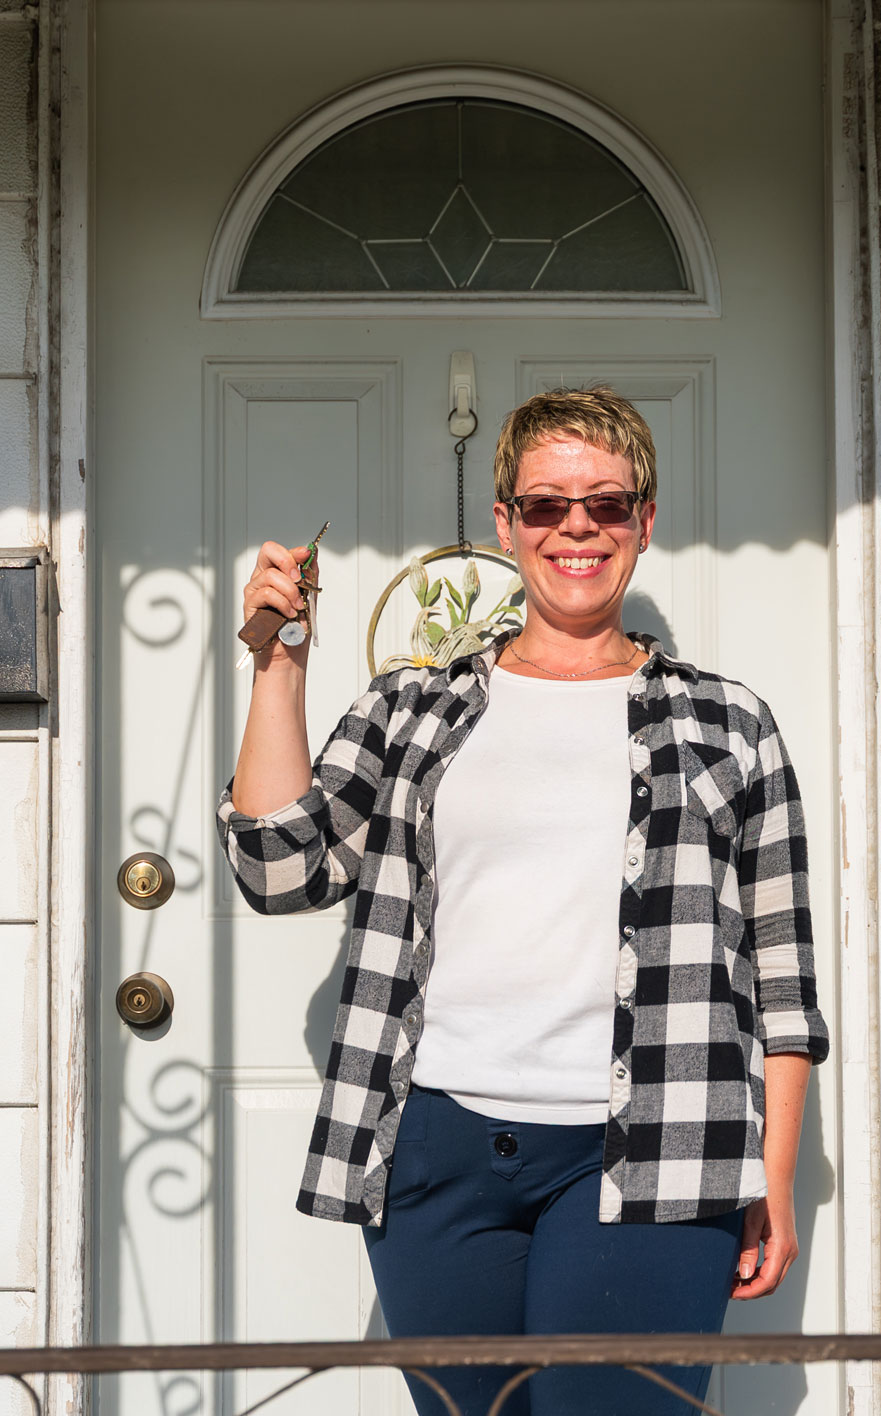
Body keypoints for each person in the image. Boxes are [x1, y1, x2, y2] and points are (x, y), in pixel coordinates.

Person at [217, 386, 828, 1416]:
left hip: (662, 1146)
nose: (575, 526)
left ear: (644, 520)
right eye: (546, 505)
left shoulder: (726, 724)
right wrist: (277, 666)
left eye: (606, 503)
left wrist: (772, 1176)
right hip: (436, 1153)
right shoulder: (412, 709)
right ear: (506, 523)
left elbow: (782, 976)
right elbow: (279, 870)